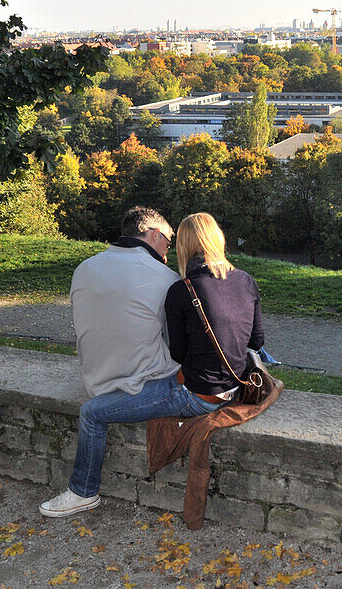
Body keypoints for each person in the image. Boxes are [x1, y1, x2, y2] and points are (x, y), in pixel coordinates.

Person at [40, 207, 217, 518]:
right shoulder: (165, 278)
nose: (169, 249)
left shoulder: (84, 268)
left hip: (95, 379)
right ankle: (83, 492)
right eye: (167, 240)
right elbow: (177, 345)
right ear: (151, 234)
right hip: (145, 383)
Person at [163, 212, 265, 408]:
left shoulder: (181, 290)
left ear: (184, 246)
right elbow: (256, 341)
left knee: (94, 412)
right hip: (237, 388)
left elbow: (177, 353)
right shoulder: (247, 281)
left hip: (199, 395)